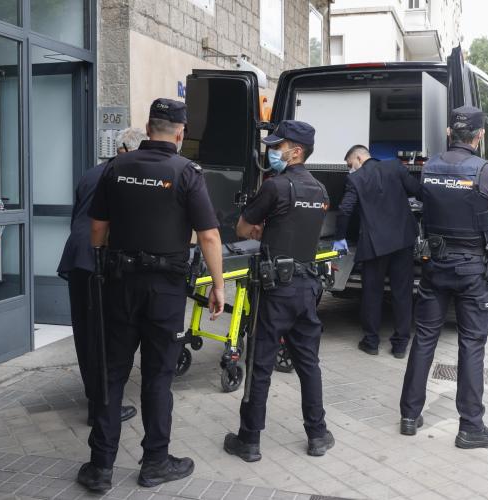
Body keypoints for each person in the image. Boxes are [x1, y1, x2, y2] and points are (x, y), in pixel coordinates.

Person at [78, 98, 225, 492]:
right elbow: (209, 235)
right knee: (158, 375)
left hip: (120, 285)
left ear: (148, 127)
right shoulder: (187, 172)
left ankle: (100, 467)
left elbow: (97, 228)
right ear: (180, 133)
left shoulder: (116, 168)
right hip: (165, 291)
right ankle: (155, 462)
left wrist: (103, 262)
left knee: (112, 373)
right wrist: (218, 285)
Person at [399, 105, 488, 448]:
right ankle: (471, 427)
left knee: (425, 338)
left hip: (435, 263)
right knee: (472, 343)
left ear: (450, 133)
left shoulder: (429, 167)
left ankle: (409, 415)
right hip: (472, 269)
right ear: (480, 135)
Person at [223, 120, 335, 462]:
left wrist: (262, 229)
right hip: (308, 288)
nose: (272, 152)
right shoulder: (320, 190)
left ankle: (249, 440)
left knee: (260, 364)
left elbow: (243, 227)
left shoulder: (275, 186)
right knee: (308, 364)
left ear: (296, 151)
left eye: (278, 146)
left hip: (275, 291)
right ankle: (317, 435)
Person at [57, 127, 148, 427]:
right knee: (105, 335)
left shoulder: (91, 173)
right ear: (131, 150)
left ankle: (95, 399)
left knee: (85, 333)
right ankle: (103, 407)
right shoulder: (126, 176)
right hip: (101, 259)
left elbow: (77, 217)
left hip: (76, 257)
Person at [333, 145, 420, 358]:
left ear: (359, 158)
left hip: (374, 244)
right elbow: (418, 191)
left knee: (372, 294)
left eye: (350, 164)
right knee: (402, 293)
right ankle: (400, 345)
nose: (350, 169)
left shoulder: (355, 179)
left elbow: (345, 209)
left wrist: (340, 237)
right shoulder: (395, 167)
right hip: (402, 240)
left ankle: (371, 342)